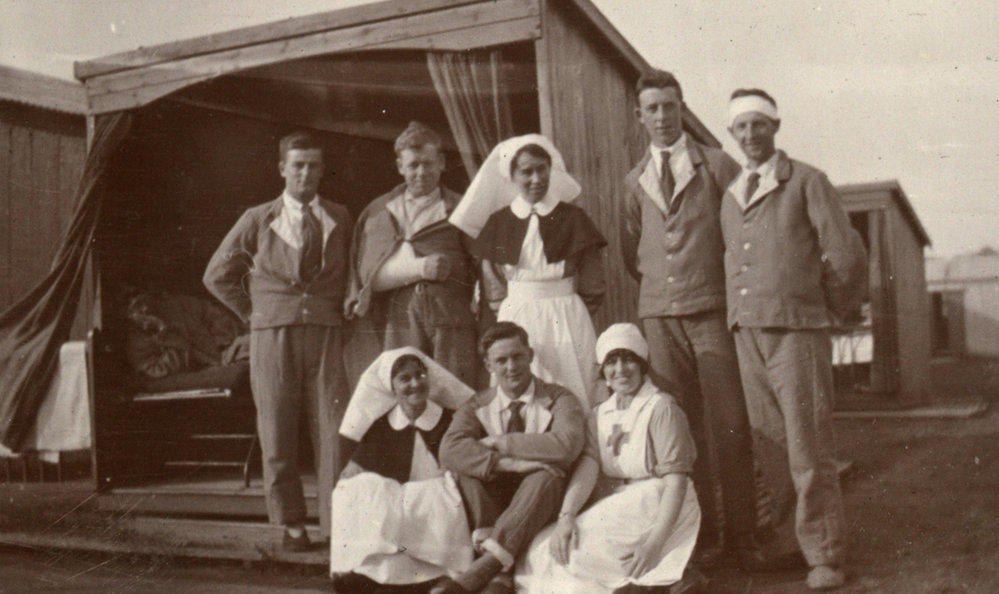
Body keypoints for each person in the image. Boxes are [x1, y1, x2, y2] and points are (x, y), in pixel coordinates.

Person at [720, 88, 868, 590]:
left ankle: (825, 552)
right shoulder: (732, 193)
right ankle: (789, 543)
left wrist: (832, 309)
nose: (750, 135)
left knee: (808, 446)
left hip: (797, 331)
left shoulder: (807, 181)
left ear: (775, 128)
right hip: (747, 332)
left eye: (759, 125)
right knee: (772, 446)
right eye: (741, 128)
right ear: (732, 135)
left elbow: (845, 254)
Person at [619, 69, 759, 564]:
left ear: (682, 109)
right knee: (679, 431)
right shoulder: (633, 181)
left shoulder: (719, 166)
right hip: (659, 317)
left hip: (712, 313)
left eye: (670, 106)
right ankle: (698, 539)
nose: (662, 116)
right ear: (639, 116)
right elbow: (631, 253)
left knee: (730, 426)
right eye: (652, 108)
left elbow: (744, 238)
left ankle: (743, 539)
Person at [203, 130, 352, 551]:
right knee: (277, 432)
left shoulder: (340, 217)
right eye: (298, 165)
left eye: (314, 165)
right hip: (273, 339)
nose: (306, 173)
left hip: (325, 334)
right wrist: (254, 313)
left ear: (322, 170)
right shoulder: (258, 218)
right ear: (282, 169)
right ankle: (292, 526)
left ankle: (338, 528)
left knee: (334, 432)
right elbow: (217, 275)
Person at [517, 323, 702, 593]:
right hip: (622, 501)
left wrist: (654, 545)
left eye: (629, 360)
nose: (620, 370)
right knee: (542, 547)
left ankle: (653, 582)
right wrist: (566, 516)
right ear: (602, 370)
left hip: (658, 501)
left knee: (573, 557)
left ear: (642, 364)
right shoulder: (600, 413)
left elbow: (677, 481)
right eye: (611, 362)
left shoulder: (661, 408)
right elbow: (589, 466)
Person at [449, 134, 606, 409]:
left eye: (542, 169)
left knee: (574, 387)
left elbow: (593, 281)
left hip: (567, 316)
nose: (536, 178)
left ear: (551, 169)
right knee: (522, 391)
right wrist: (510, 313)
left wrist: (571, 310)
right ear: (512, 176)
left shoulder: (573, 218)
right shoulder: (499, 222)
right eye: (527, 171)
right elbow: (494, 285)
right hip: (517, 315)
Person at [431, 322, 586, 594]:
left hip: (539, 498)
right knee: (467, 470)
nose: (511, 367)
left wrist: (501, 442)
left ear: (531, 355)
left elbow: (567, 444)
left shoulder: (558, 397)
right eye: (501, 360)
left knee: (545, 475)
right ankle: (502, 575)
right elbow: (449, 450)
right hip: (494, 498)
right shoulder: (478, 403)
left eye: (517, 356)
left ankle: (483, 570)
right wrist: (510, 463)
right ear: (488, 365)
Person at [330, 346, 476, 593]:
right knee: (355, 489)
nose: (415, 384)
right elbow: (358, 465)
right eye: (404, 378)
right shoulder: (382, 424)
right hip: (398, 502)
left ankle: (439, 576)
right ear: (392, 386)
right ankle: (369, 571)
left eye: (419, 375)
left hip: (439, 499)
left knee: (433, 499)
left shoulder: (449, 419)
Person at [345, 122, 478, 387]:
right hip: (399, 322)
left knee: (455, 392)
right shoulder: (379, 213)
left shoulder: (463, 208)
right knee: (404, 394)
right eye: (413, 165)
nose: (421, 172)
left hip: (450, 321)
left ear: (441, 162)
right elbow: (366, 278)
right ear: (400, 167)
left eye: (428, 164)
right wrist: (418, 267)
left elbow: (484, 268)